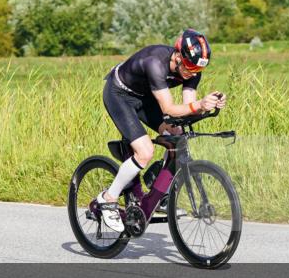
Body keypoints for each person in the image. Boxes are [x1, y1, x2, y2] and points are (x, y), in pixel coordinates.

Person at [96, 29, 226, 232]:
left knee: (177, 135)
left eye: (198, 69)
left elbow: (187, 108)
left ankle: (159, 191)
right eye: (190, 67)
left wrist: (208, 105)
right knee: (145, 151)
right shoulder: (155, 63)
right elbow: (168, 109)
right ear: (178, 55)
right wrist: (200, 105)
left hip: (146, 97)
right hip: (119, 95)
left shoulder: (192, 70)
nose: (193, 73)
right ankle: (108, 198)